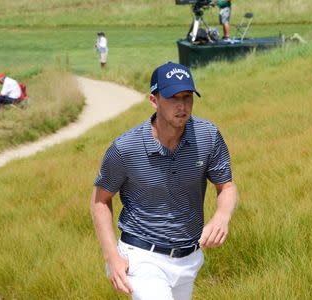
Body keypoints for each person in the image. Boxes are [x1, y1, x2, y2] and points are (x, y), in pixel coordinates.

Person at [91, 61, 238, 300]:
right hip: (141, 256)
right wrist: (112, 257)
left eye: (187, 97)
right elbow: (100, 201)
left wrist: (222, 216)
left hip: (189, 259)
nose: (182, 106)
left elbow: (226, 187)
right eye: (172, 98)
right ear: (153, 100)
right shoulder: (125, 148)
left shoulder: (207, 136)